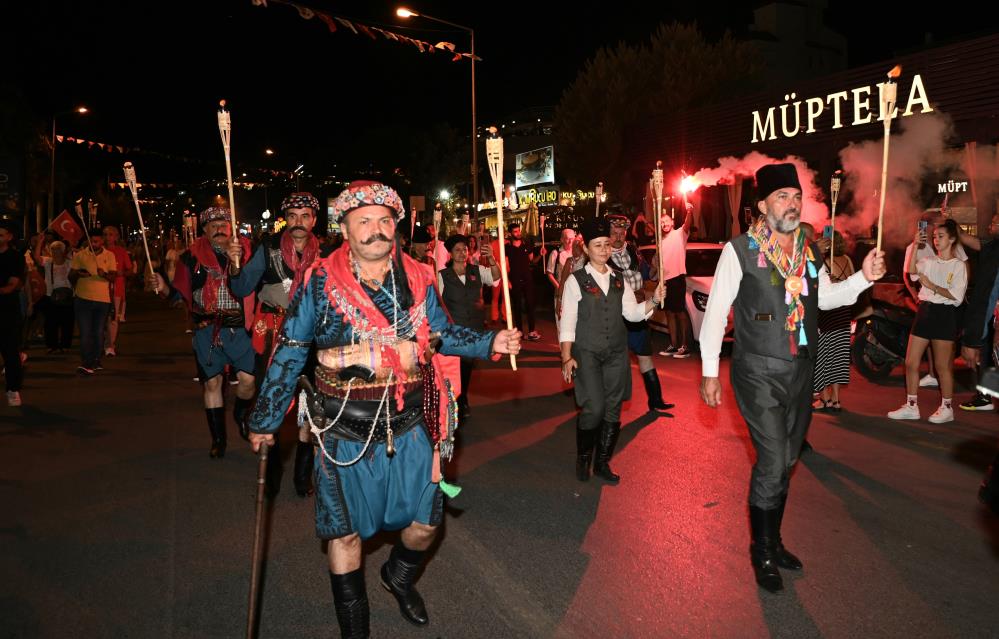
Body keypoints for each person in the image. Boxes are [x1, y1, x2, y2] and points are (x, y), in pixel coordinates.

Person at [247, 181, 520, 637]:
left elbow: (441, 334)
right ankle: (356, 627)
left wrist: (491, 340)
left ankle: (398, 575)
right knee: (345, 534)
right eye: (364, 222)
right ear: (345, 229)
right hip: (343, 432)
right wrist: (265, 418)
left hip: (412, 424)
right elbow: (291, 350)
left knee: (425, 526)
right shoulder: (319, 282)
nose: (376, 231)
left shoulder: (416, 276)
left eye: (384, 221)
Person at [699, 163, 885, 593]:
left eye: (796, 197)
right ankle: (761, 552)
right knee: (772, 460)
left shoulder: (810, 250)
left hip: (802, 368)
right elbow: (716, 312)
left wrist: (862, 278)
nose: (792, 204)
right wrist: (710, 370)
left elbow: (824, 299)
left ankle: (774, 541)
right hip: (757, 371)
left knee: (788, 460)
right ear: (762, 206)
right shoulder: (740, 250)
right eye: (782, 197)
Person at [231, 192, 330, 497]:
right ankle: (269, 478)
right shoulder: (268, 247)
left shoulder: (327, 252)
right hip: (274, 333)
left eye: (305, 216)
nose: (298, 223)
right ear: (285, 218)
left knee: (313, 407)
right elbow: (241, 287)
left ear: (314, 220)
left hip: (313, 337)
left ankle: (303, 477)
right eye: (293, 216)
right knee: (270, 400)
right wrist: (235, 264)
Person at [561, 217, 666, 484]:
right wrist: (566, 356)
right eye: (598, 245)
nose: (604, 250)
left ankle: (603, 462)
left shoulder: (620, 280)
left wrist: (653, 299)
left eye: (607, 244)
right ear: (586, 249)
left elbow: (632, 315)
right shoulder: (576, 280)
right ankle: (583, 456)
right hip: (587, 354)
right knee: (594, 408)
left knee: (612, 410)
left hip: (617, 355)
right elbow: (568, 321)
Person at [156, 207, 255, 458]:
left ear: (231, 226)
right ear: (204, 230)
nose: (219, 229)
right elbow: (178, 295)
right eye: (213, 226)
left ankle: (241, 414)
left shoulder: (249, 251)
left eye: (224, 224)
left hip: (240, 329)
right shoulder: (190, 257)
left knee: (248, 381)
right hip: (206, 329)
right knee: (212, 383)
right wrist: (163, 288)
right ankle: (218, 439)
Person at [888, 219, 968, 423]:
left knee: (942, 366)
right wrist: (915, 245)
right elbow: (912, 272)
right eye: (934, 237)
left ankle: (947, 408)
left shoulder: (958, 266)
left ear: (951, 239)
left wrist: (932, 285)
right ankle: (912, 406)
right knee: (911, 362)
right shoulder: (929, 261)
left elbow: (957, 297)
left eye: (940, 237)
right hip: (925, 312)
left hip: (945, 314)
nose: (936, 240)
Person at [606, 213, 674, 412]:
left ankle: (655, 399)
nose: (618, 236)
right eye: (614, 232)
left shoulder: (634, 251)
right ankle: (608, 402)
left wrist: (655, 267)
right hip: (616, 311)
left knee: (645, 355)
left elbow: (647, 274)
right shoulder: (601, 253)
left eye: (622, 232)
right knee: (615, 359)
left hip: (638, 309)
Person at [437, 234, 501, 418]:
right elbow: (438, 302)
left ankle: (460, 395)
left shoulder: (477, 270)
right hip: (454, 330)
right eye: (457, 250)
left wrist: (491, 259)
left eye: (464, 249)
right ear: (450, 253)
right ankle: (459, 398)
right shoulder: (443, 276)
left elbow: (495, 277)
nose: (462, 253)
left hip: (474, 327)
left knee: (467, 365)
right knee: (459, 365)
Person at [70, 229, 117, 375]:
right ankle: (86, 362)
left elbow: (113, 277)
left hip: (102, 300)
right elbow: (70, 276)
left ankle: (96, 359)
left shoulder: (109, 255)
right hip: (83, 299)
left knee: (97, 332)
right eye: (91, 241)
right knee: (85, 332)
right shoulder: (80, 255)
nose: (94, 244)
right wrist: (78, 274)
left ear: (102, 241)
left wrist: (105, 274)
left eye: (96, 241)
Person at [657, 202, 694, 358]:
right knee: (670, 313)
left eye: (667, 221)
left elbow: (687, 224)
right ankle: (674, 345)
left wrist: (689, 211)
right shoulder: (660, 242)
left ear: (672, 222)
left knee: (680, 313)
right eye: (662, 222)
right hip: (665, 281)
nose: (664, 224)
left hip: (678, 278)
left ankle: (685, 347)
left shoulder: (680, 233)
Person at [0, 221, 25, 406]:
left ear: (9, 237)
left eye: (1, 235)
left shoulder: (15, 257)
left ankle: (13, 389)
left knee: (10, 351)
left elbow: (12, 285)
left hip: (7, 309)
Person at [506, 223, 543, 340]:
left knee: (530, 304)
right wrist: (507, 280)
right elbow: (506, 265)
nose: (518, 233)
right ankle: (520, 332)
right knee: (516, 306)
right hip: (514, 278)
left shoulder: (527, 244)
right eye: (515, 232)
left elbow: (532, 261)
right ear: (510, 233)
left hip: (527, 278)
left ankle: (532, 331)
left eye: (518, 231)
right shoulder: (507, 247)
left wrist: (541, 255)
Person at [102, 226, 134, 357]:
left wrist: (122, 273)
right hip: (100, 289)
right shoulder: (99, 251)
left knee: (114, 319)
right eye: (105, 234)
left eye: (110, 234)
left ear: (116, 237)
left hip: (117, 289)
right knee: (102, 319)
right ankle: (104, 343)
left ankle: (110, 346)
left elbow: (130, 270)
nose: (107, 237)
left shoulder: (121, 252)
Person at [41, 240, 75, 353]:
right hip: (51, 295)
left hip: (67, 295)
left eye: (58, 249)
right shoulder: (48, 262)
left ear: (63, 251)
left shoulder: (70, 263)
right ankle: (52, 345)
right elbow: (37, 257)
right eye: (53, 249)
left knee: (67, 322)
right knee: (50, 323)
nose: (56, 252)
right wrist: (41, 241)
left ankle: (65, 345)